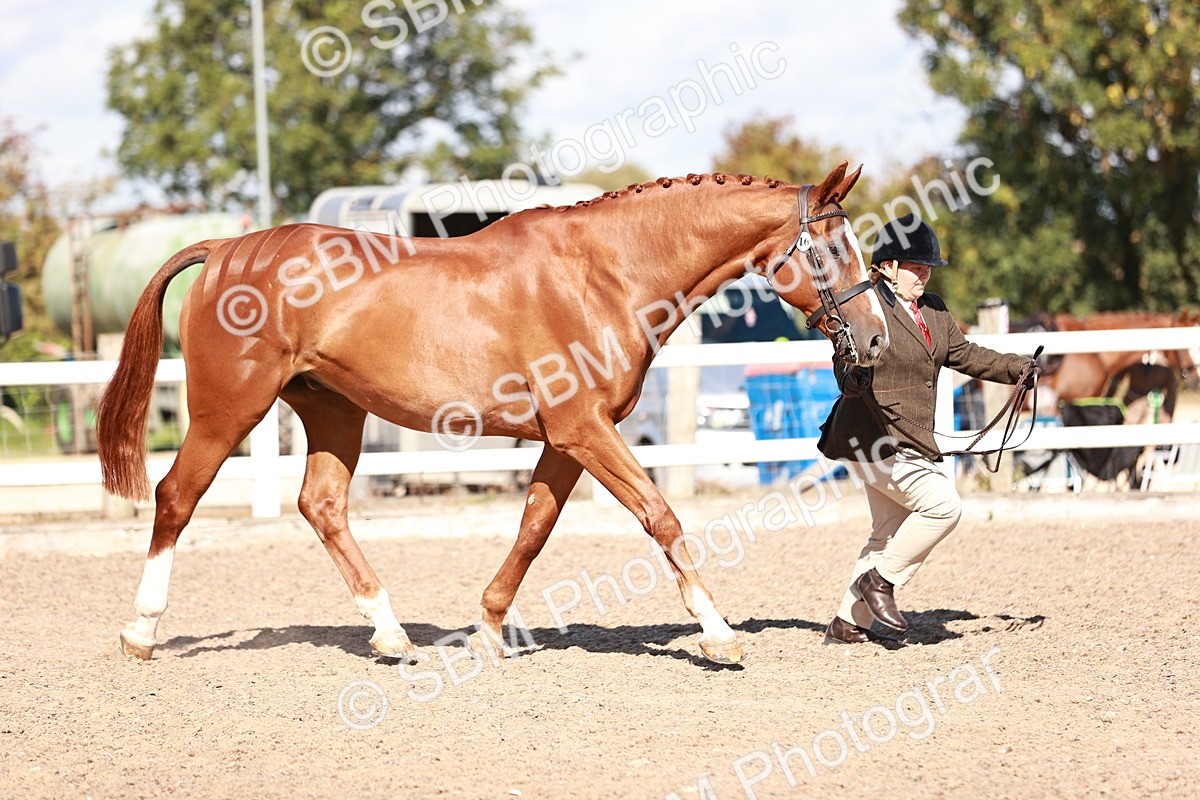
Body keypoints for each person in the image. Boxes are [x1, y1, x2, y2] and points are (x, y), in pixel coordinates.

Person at [816, 214, 1037, 645]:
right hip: (871, 438)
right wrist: (852, 377)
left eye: (927, 268)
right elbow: (845, 360)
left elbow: (965, 354)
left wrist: (1016, 368)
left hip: (910, 439)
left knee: (887, 533)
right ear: (888, 266)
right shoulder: (867, 306)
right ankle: (880, 582)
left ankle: (847, 624)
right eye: (915, 267)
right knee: (942, 507)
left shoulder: (933, 310)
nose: (924, 275)